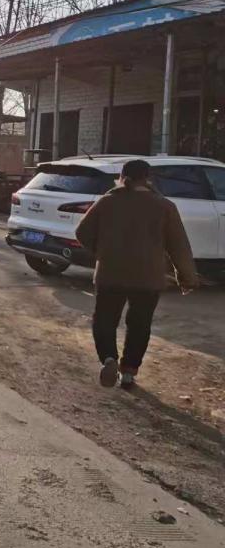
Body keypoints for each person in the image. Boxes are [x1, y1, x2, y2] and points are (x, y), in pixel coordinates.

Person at [75, 159, 199, 389]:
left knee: (104, 320)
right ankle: (129, 372)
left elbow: (82, 231)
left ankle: (108, 358)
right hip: (148, 277)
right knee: (139, 324)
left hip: (110, 273)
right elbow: (178, 245)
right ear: (148, 178)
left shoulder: (108, 201)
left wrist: (102, 252)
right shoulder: (165, 206)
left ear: (122, 176)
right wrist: (187, 277)